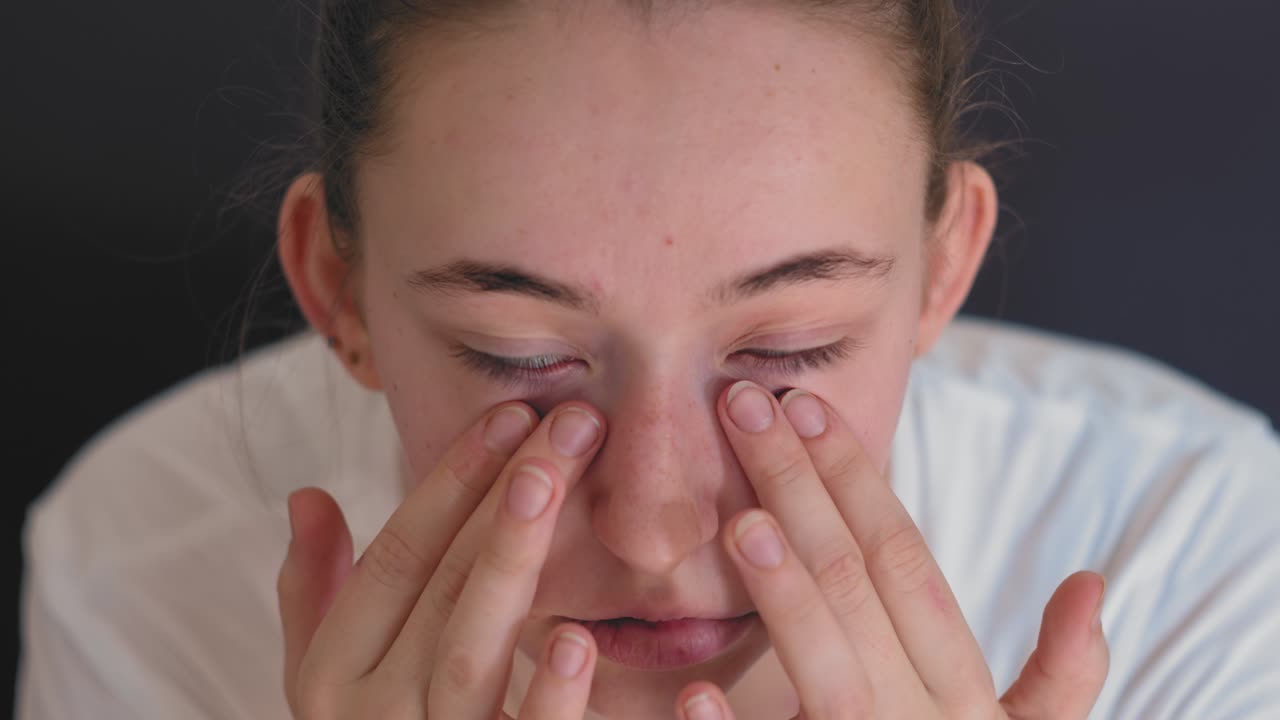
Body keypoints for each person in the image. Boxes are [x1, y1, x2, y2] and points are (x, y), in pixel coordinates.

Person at [17, 0, 1280, 717]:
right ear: (334, 285)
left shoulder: (1193, 550)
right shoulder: (146, 568)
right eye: (515, 357)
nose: (656, 527)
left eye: (791, 350)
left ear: (942, 266)